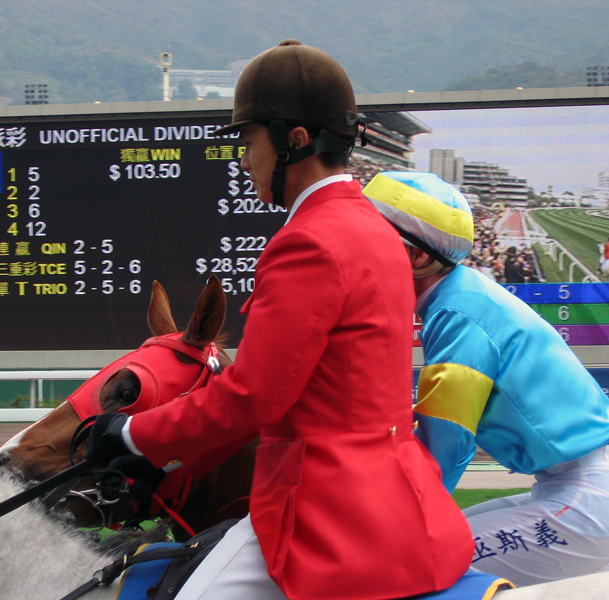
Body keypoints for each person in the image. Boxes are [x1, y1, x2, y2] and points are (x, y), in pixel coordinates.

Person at [84, 41, 474, 600]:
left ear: (295, 139)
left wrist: (131, 433)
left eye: (248, 143)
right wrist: (164, 461)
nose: (244, 161)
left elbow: (253, 397)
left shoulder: (308, 241)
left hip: (326, 511)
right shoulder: (374, 229)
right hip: (401, 503)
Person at [363, 171, 609, 586]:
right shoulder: (460, 294)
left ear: (417, 257)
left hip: (587, 497)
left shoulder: (455, 312)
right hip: (574, 484)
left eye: (365, 240)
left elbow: (447, 444)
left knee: (407, 562)